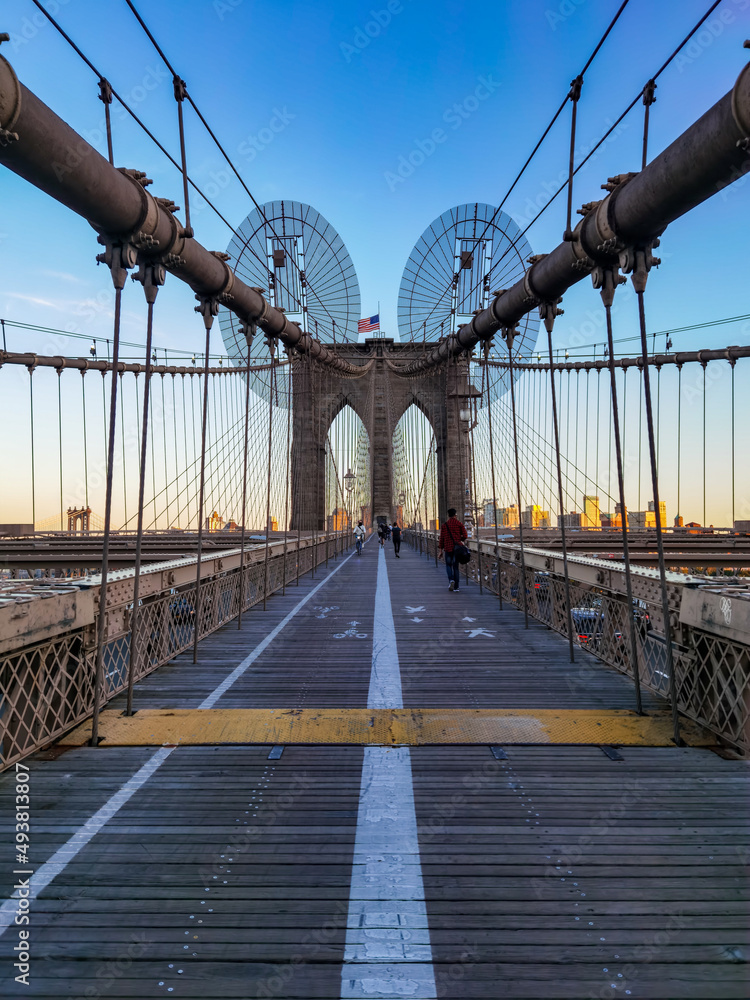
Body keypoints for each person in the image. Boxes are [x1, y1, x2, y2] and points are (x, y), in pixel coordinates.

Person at [439, 507, 467, 591]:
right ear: (455, 515)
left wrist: (440, 550)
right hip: (457, 549)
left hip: (447, 548)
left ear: (448, 515)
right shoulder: (459, 524)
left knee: (448, 565)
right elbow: (465, 536)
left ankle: (451, 580)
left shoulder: (444, 525)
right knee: (455, 567)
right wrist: (459, 540)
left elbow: (441, 539)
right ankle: (456, 587)